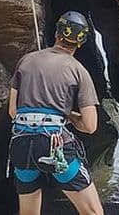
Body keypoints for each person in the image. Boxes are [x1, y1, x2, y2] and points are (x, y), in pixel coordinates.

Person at [8, 11, 104, 215]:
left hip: (22, 146)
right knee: (93, 212)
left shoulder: (25, 61)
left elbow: (13, 111)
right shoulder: (78, 70)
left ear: (56, 34)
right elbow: (90, 126)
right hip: (55, 146)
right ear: (81, 42)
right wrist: (66, 114)